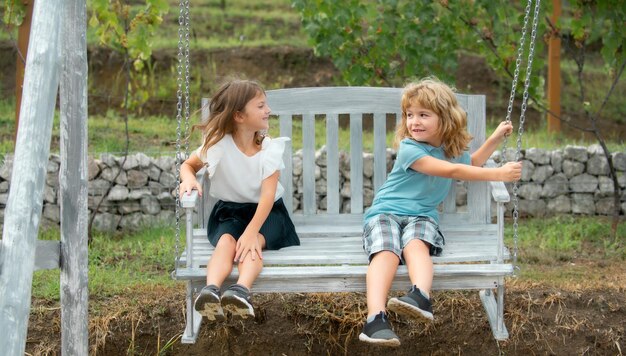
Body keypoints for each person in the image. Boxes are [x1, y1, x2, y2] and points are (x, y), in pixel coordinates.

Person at [358, 78, 522, 347]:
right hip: (385, 212)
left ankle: (420, 296)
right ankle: (375, 319)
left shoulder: (450, 149)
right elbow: (454, 171)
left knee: (416, 245)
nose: (414, 122)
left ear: (445, 119)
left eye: (423, 115)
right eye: (410, 115)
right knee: (387, 250)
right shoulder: (410, 148)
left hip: (422, 216)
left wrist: (494, 138)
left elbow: (472, 162)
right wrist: (499, 173)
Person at [179, 79, 300, 321]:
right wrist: (188, 179)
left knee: (251, 243)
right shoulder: (217, 146)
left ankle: (240, 291)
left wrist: (251, 231)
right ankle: (210, 290)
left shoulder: (269, 150)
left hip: (268, 214)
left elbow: (267, 196)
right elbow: (188, 165)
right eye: (261, 106)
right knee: (226, 242)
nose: (268, 111)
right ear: (239, 116)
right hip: (229, 212)